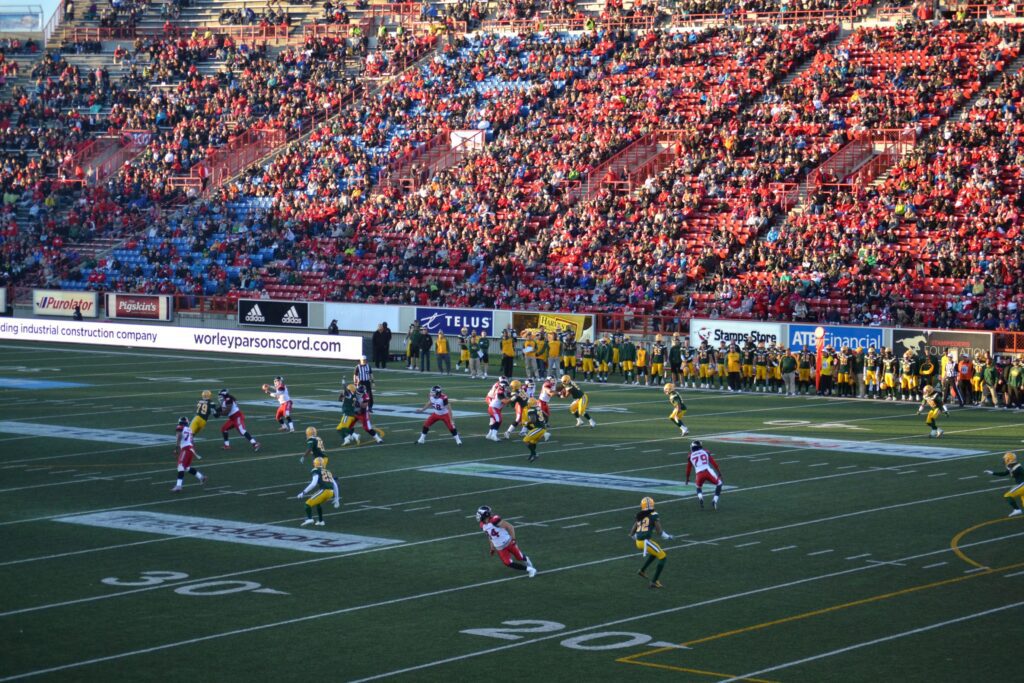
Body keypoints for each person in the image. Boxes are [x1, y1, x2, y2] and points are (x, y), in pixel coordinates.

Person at [476, 505, 536, 577]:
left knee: (520, 557)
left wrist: (513, 539)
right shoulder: (482, 525)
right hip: (499, 547)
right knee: (508, 563)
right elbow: (490, 536)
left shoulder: (494, 520)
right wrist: (492, 547)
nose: (478, 516)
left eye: (479, 514)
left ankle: (528, 562)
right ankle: (530, 569)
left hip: (508, 542)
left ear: (485, 514)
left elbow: (510, 526)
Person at [629, 497, 672, 589]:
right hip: (645, 542)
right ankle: (654, 582)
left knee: (656, 552)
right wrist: (668, 537)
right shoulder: (654, 514)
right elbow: (659, 532)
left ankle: (642, 570)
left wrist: (637, 539)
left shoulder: (639, 515)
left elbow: (632, 532)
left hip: (639, 542)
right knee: (663, 557)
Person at [296, 456, 340, 526]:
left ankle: (309, 518)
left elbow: (313, 484)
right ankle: (321, 521)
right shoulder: (328, 471)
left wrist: (303, 492)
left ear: (315, 463)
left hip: (324, 491)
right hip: (331, 492)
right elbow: (335, 485)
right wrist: (337, 498)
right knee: (318, 503)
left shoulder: (315, 470)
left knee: (307, 504)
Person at [172, 417, 207, 492]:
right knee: (186, 467)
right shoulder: (189, 429)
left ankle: (178, 486)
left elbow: (179, 436)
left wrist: (176, 448)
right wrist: (193, 450)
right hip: (190, 449)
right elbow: (192, 441)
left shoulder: (180, 427)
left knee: (180, 466)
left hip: (186, 449)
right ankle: (201, 477)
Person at [685, 440, 723, 510]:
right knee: (719, 484)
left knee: (698, 487)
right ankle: (714, 500)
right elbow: (713, 463)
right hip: (708, 471)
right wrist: (719, 472)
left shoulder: (690, 456)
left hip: (699, 474)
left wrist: (687, 478)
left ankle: (700, 497)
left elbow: (688, 469)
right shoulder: (706, 452)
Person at [985, 452, 1024, 517]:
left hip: (1023, 484)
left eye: (1005, 458)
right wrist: (992, 473)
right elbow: (1004, 473)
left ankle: (1017, 509)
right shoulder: (1012, 466)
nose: (1004, 460)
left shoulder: (1018, 467)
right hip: (1021, 486)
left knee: (1007, 495)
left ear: (1009, 459)